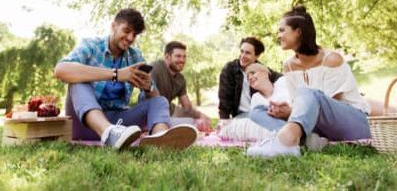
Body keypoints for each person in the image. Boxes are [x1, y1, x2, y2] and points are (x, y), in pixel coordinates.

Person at [55, 8, 197, 150]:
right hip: (84, 124)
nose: (130, 38)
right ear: (114, 25)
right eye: (127, 30)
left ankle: (161, 139)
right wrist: (117, 74)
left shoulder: (135, 56)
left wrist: (148, 87)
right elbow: (61, 70)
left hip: (119, 125)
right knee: (78, 81)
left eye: (134, 35)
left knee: (160, 101)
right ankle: (108, 133)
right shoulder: (91, 46)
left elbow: (154, 97)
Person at [247, 6, 371, 158]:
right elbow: (300, 104)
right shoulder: (289, 66)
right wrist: (286, 110)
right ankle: (309, 140)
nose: (278, 36)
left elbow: (329, 107)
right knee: (257, 111)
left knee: (307, 92)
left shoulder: (331, 59)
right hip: (315, 126)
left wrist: (292, 112)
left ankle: (287, 141)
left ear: (298, 31)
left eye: (282, 30)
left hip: (352, 123)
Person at [150, 41, 212, 132]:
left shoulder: (180, 79)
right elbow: (150, 98)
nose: (182, 60)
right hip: (151, 113)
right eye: (178, 56)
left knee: (194, 122)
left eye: (184, 57)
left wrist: (201, 115)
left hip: (168, 114)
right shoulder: (155, 68)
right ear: (167, 57)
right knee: (191, 125)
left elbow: (187, 108)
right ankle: (151, 129)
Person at [218, 37, 282, 123]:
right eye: (241, 51)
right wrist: (224, 120)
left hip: (261, 115)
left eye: (247, 53)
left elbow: (281, 78)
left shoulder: (262, 70)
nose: (243, 56)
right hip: (240, 116)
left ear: (257, 56)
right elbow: (225, 99)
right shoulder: (229, 69)